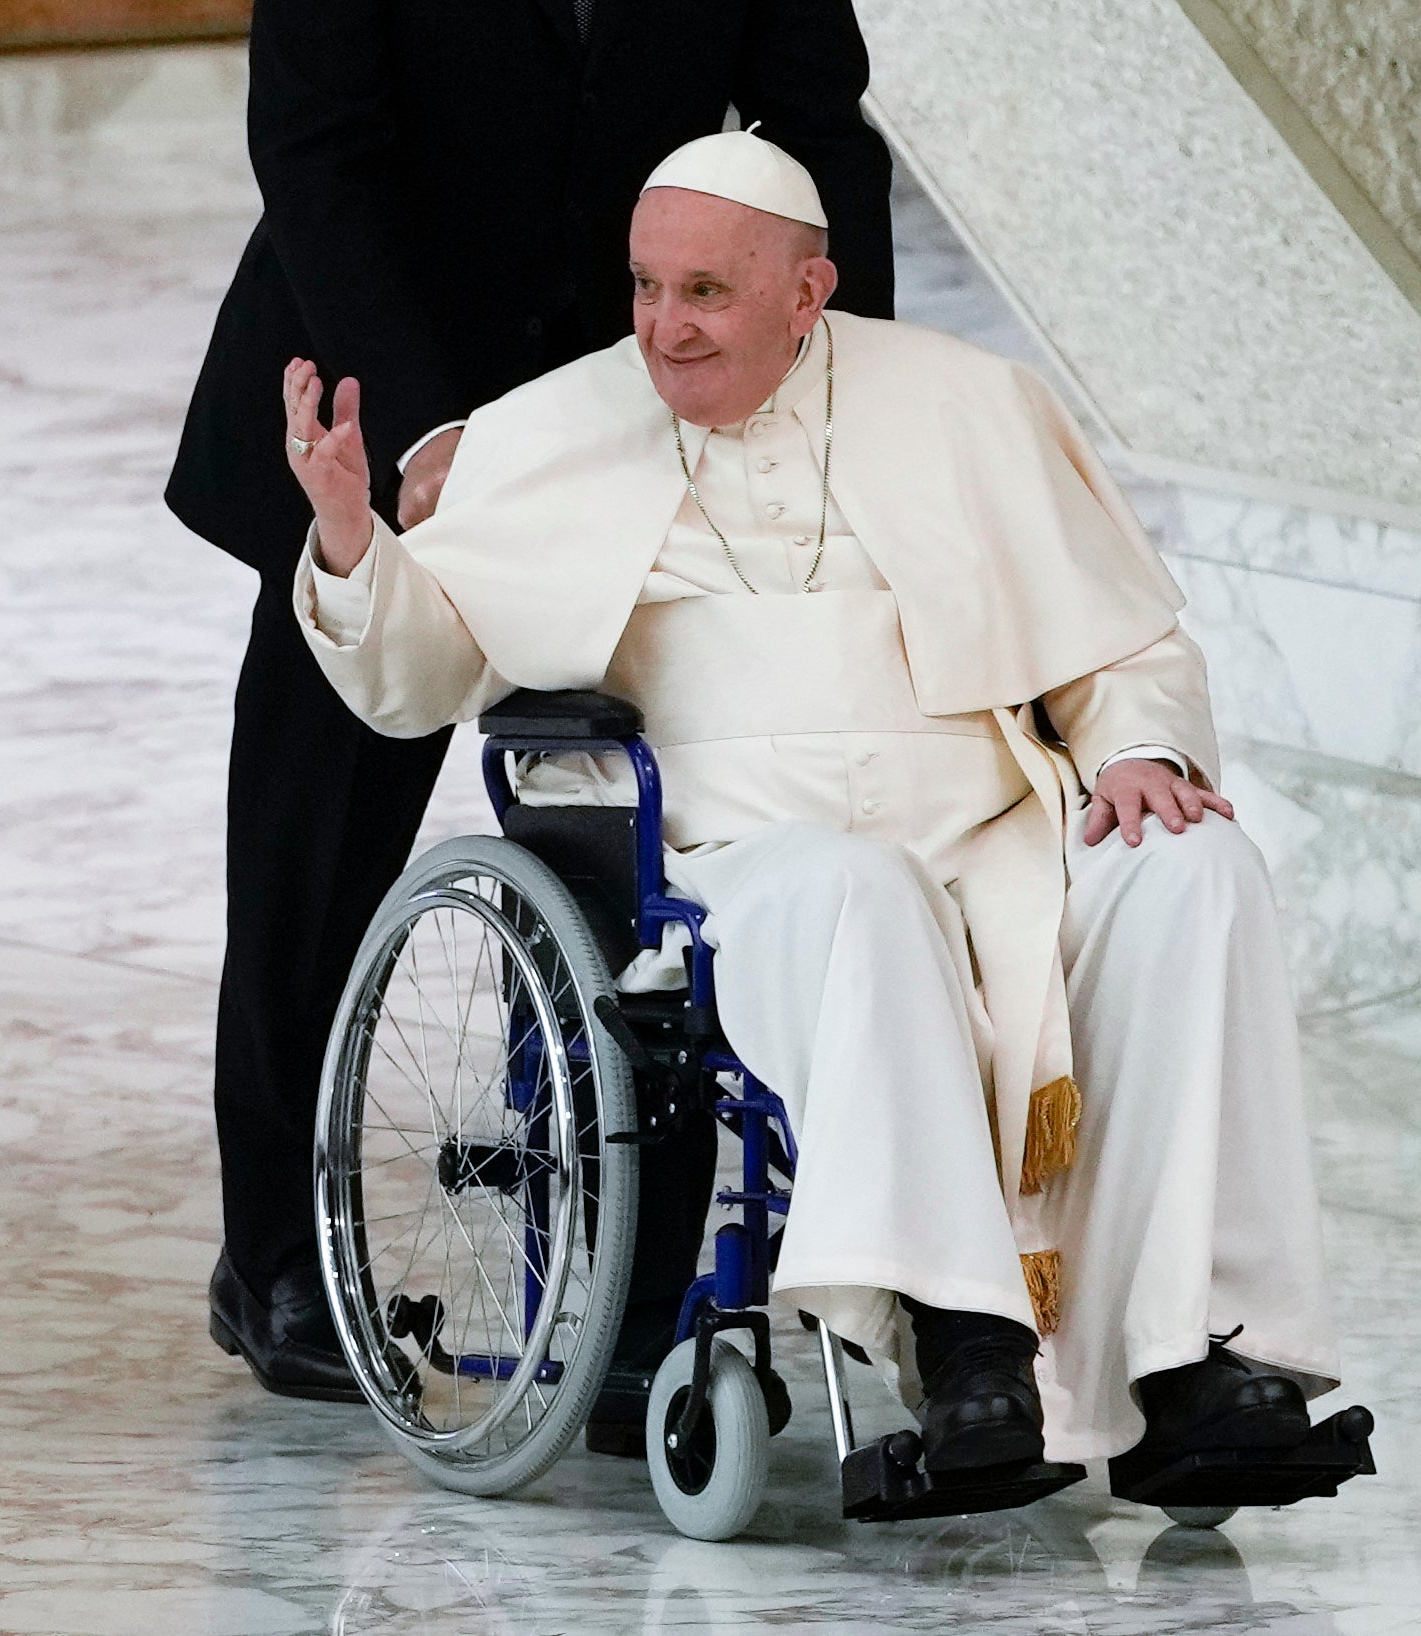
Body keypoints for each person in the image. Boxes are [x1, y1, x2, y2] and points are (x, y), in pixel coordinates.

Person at [276, 129, 1342, 1476]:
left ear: (808, 290)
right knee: (860, 890)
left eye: (706, 293)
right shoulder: (546, 434)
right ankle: (962, 1342)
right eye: (644, 287)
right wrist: (351, 543)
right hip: (740, 860)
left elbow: (1124, 648)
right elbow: (417, 677)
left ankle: (1195, 1349)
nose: (664, 326)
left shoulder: (967, 403)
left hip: (1003, 825)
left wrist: (1143, 754)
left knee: (1196, 868)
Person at [169, 0, 898, 1422]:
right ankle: (275, 1260)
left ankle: (621, 1284)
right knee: (312, 863)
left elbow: (817, 127)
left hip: (636, 408)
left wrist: (840, 381)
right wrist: (441, 429)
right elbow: (317, 153)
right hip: (373, 402)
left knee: (631, 857)